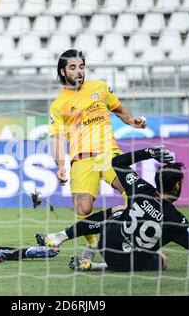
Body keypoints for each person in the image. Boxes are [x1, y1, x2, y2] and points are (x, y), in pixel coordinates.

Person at [36, 146, 189, 272]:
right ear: (177, 185)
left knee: (118, 212)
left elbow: (116, 161)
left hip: (105, 246)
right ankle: (94, 263)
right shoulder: (177, 221)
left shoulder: (139, 187)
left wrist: (150, 152)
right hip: (124, 262)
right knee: (162, 260)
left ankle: (77, 248)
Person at [49, 49, 147, 262]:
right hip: (82, 158)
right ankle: (92, 245)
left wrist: (132, 121)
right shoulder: (58, 105)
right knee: (83, 207)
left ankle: (136, 239)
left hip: (108, 153)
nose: (79, 71)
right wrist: (61, 165)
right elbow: (56, 138)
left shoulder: (100, 87)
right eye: (73, 67)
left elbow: (118, 108)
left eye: (81, 66)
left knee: (131, 192)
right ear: (63, 71)